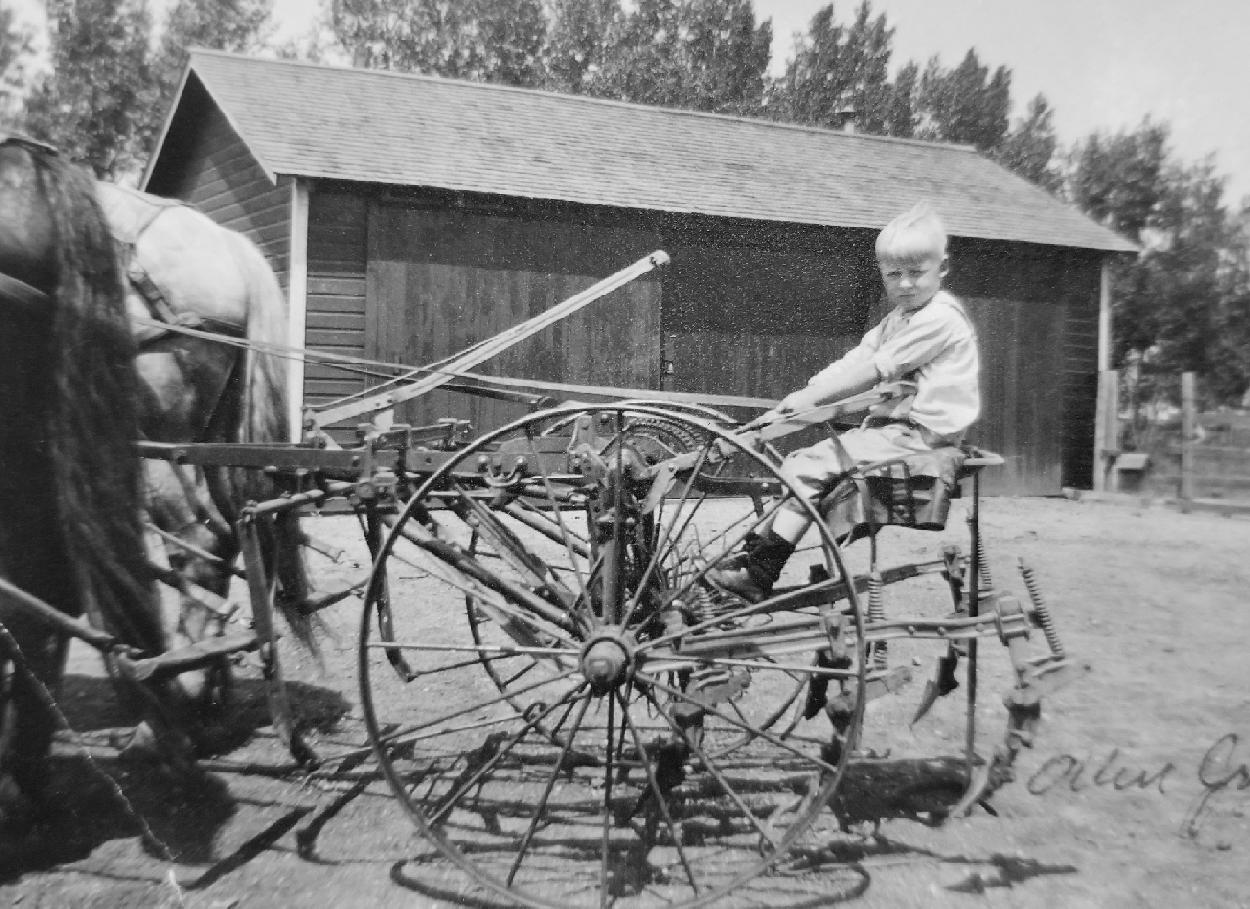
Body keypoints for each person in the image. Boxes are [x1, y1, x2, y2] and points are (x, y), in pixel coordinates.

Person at [708, 202, 980, 602]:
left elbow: (874, 371)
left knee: (810, 465)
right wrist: (801, 396)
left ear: (942, 268)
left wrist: (810, 398)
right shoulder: (899, 318)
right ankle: (754, 557)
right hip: (895, 429)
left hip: (922, 436)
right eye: (894, 274)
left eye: (916, 273)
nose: (905, 284)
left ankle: (759, 574)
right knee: (800, 465)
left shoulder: (940, 318)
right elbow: (857, 358)